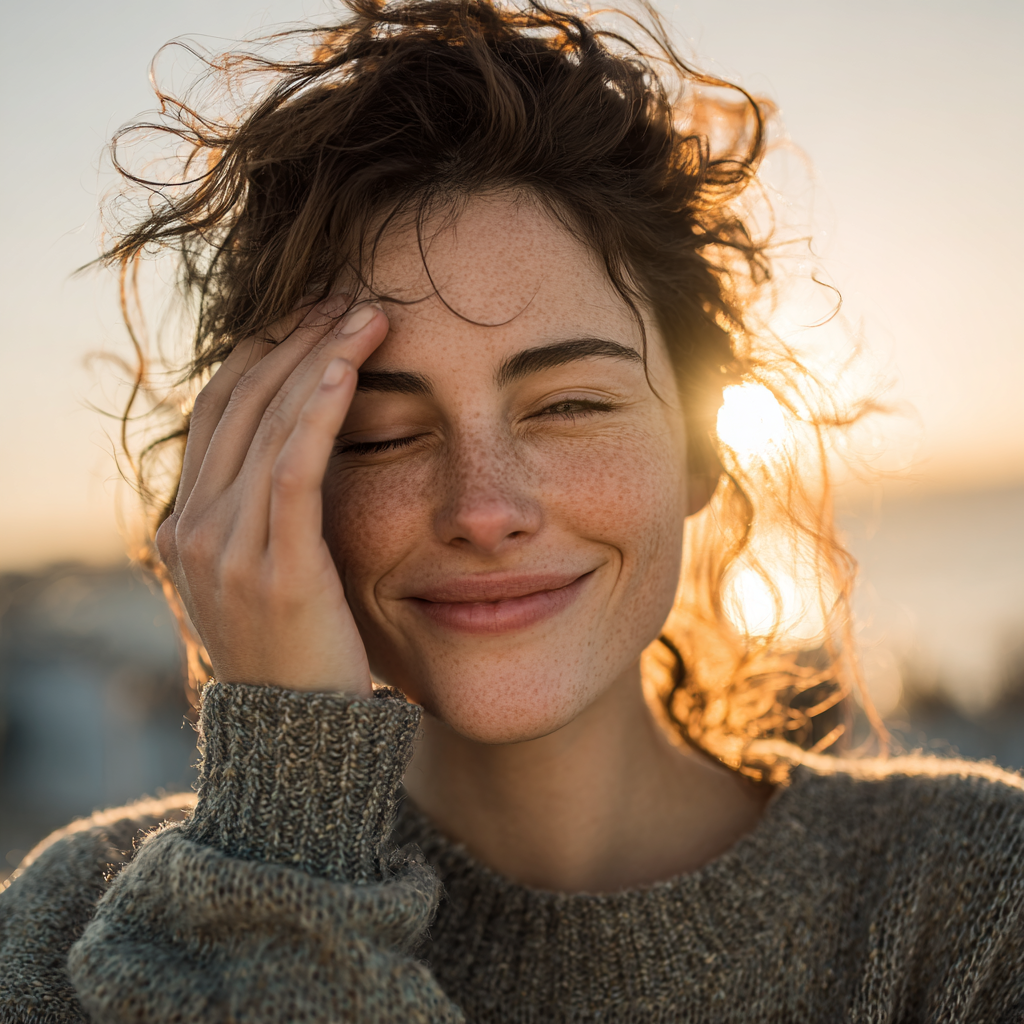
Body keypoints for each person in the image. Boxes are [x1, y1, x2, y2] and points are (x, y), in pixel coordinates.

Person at [2, 0, 1023, 1020]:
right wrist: (282, 837)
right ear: (273, 478)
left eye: (571, 404)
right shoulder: (75, 931)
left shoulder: (973, 901)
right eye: (380, 432)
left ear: (703, 448)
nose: (484, 508)